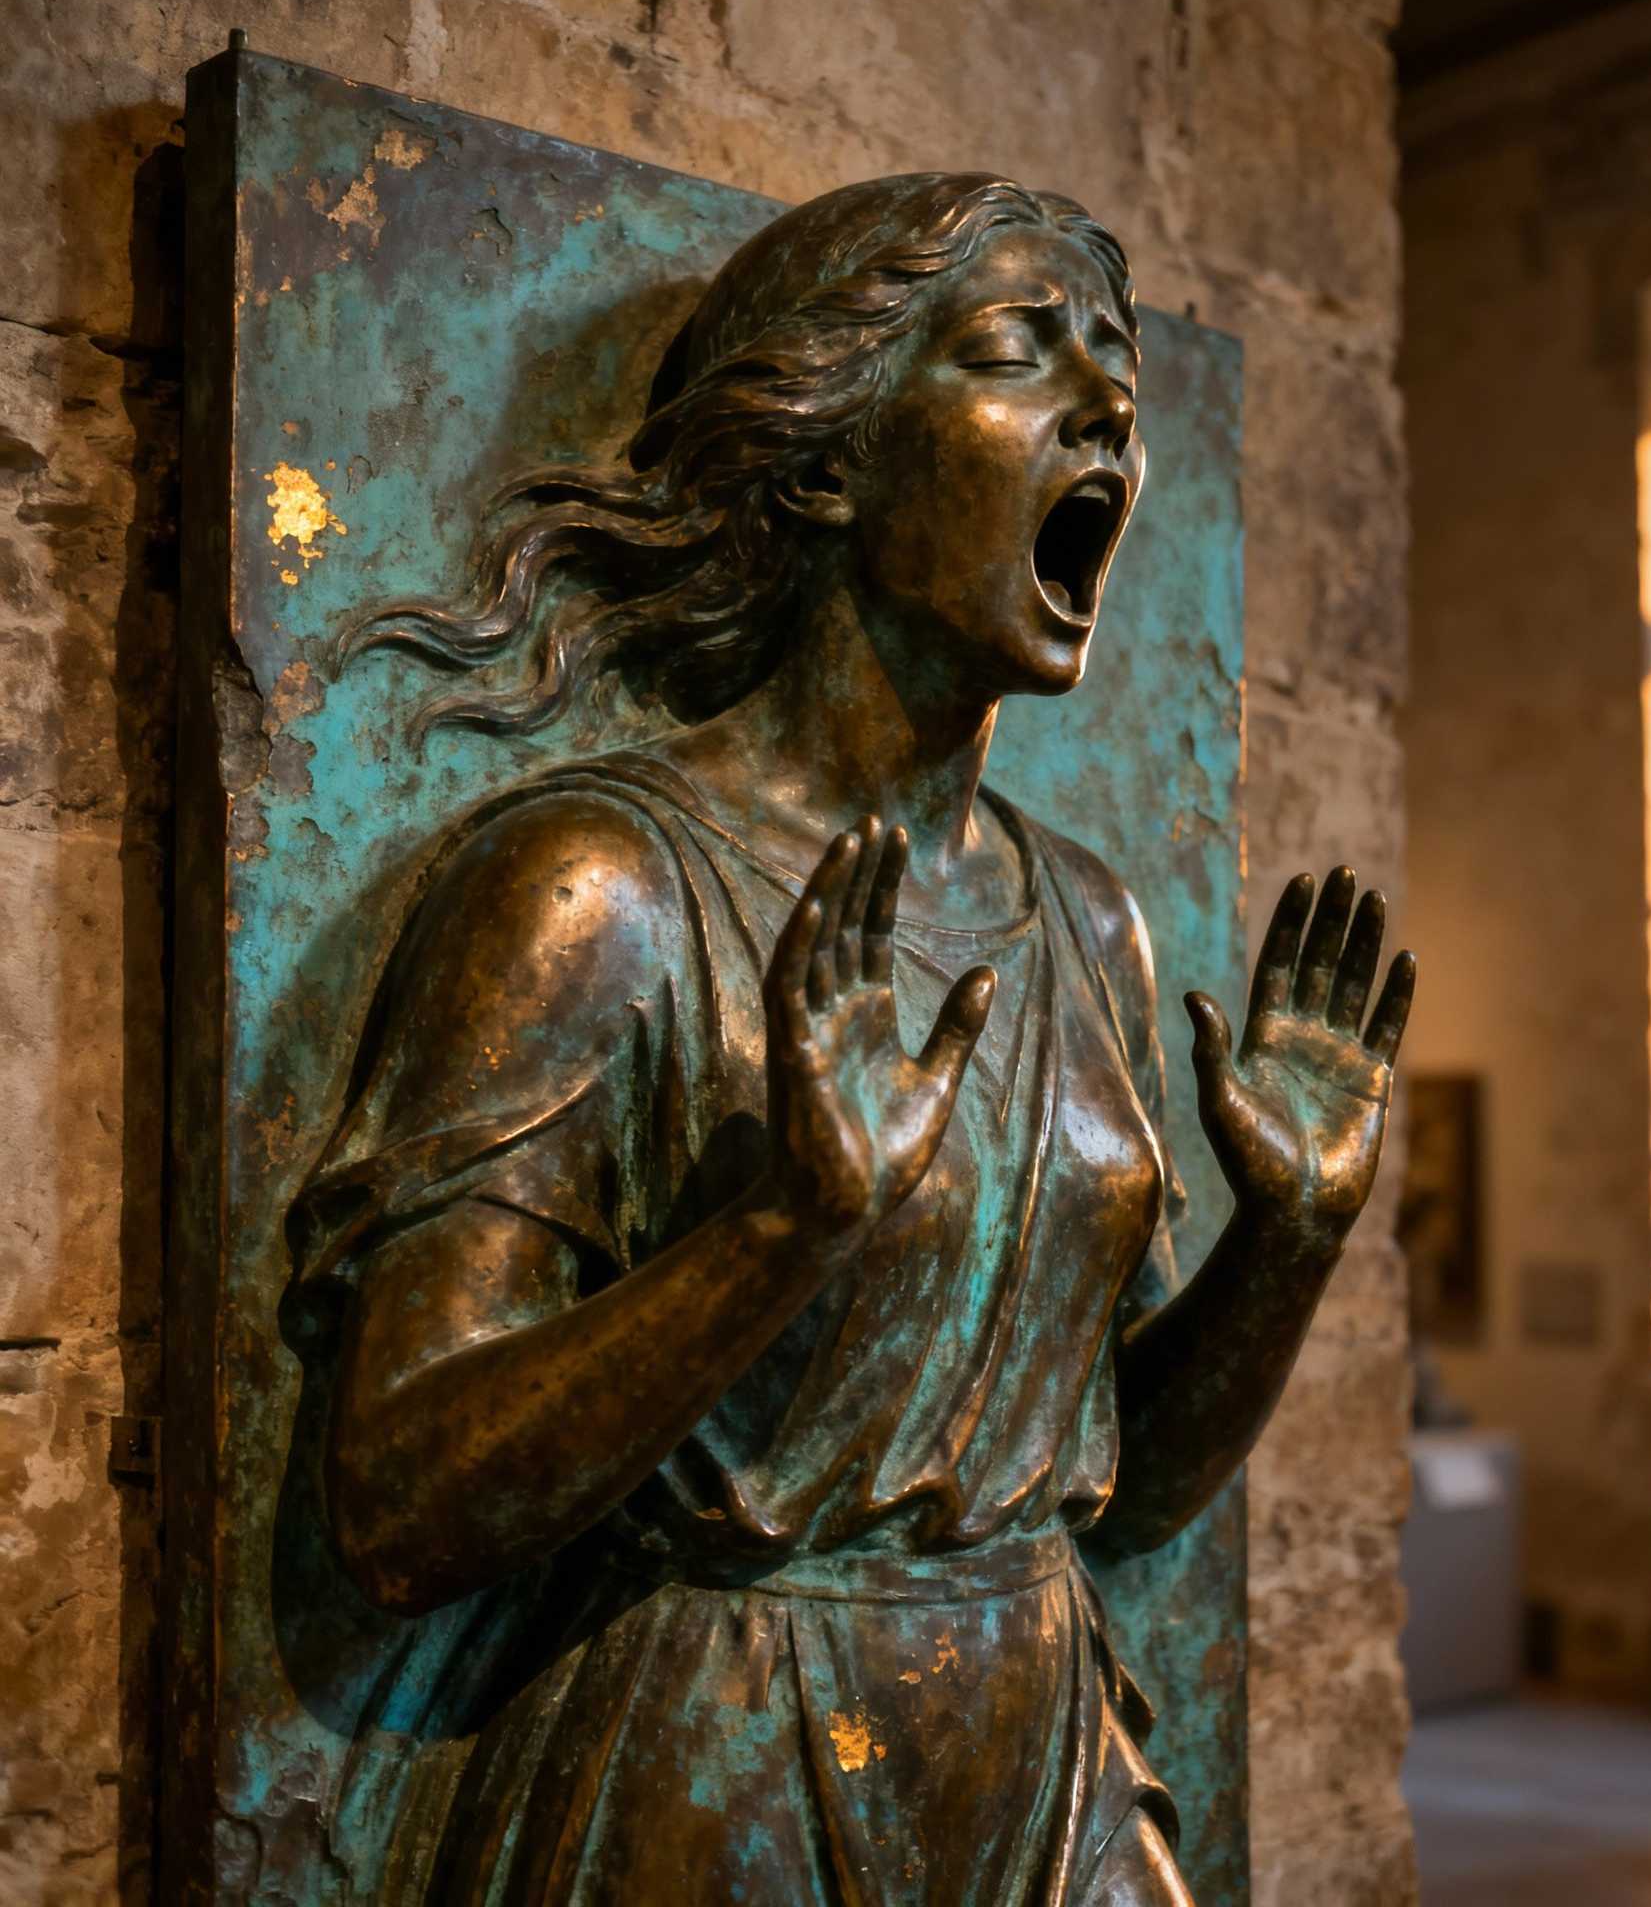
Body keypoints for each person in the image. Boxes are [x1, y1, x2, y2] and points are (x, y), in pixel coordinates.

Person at [290, 171, 1415, 1906]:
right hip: (719, 1761)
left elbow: (1117, 1500)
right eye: (1019, 350)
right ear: (828, 459)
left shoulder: (1086, 920)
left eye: (1115, 365)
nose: (1106, 401)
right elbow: (393, 1505)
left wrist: (1289, 1246)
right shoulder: (600, 890)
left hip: (1043, 1749)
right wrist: (777, 1232)